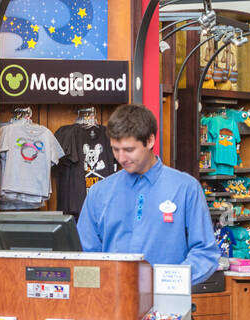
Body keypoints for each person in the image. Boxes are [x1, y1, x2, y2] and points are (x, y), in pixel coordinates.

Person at [76, 104, 220, 284]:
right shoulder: (99, 192)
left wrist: (167, 283)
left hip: (166, 305)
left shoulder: (185, 188)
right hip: (112, 304)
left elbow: (205, 253)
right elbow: (84, 254)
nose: (121, 158)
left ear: (150, 141)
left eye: (129, 150)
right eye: (115, 149)